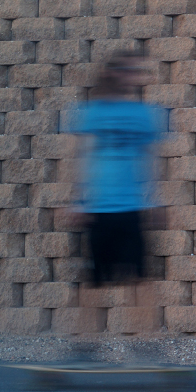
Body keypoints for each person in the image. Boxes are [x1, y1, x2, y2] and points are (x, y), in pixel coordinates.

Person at [71, 50, 165, 290]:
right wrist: (79, 201)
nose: (133, 76)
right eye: (128, 70)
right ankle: (84, 329)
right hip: (99, 208)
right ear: (111, 72)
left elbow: (151, 159)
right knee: (94, 287)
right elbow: (81, 155)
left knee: (142, 284)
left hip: (131, 208)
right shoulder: (92, 112)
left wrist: (154, 201)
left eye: (136, 71)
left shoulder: (144, 113)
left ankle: (146, 329)